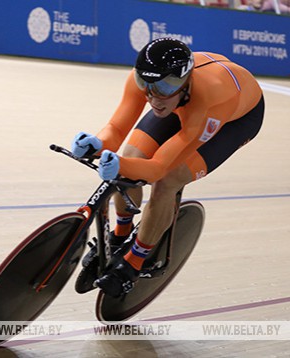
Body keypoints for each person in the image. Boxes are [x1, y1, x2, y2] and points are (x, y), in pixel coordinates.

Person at [71, 38, 265, 298]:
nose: (154, 96)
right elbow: (116, 129)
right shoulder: (152, 82)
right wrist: (97, 143)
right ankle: (120, 235)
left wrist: (121, 165)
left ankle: (135, 262)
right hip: (183, 103)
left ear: (185, 82)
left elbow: (158, 168)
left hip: (233, 119)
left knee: (169, 181)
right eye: (146, 86)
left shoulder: (210, 97)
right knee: (129, 155)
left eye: (165, 86)